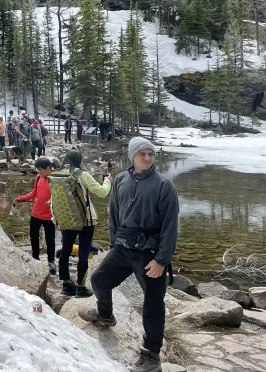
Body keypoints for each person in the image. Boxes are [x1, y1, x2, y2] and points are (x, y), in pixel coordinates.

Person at [80, 138, 178, 372]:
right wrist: (114, 244)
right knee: (99, 280)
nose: (147, 158)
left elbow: (170, 226)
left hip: (149, 254)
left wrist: (161, 260)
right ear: (132, 155)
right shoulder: (122, 180)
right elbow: (114, 213)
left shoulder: (164, 185)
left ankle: (151, 356)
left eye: (151, 154)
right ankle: (105, 315)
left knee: (153, 304)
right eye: (142, 153)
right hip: (123, 248)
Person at [58, 150, 112, 298]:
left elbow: (53, 199)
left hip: (66, 218)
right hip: (86, 219)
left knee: (65, 250)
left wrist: (55, 219)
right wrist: (108, 180)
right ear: (80, 159)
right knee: (83, 250)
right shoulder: (83, 175)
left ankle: (66, 285)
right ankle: (81, 288)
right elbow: (102, 192)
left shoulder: (59, 174)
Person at [15, 157, 57, 274]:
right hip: (36, 214)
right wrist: (22, 198)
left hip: (49, 217)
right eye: (38, 170)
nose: (39, 173)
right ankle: (35, 258)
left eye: (41, 170)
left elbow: (60, 197)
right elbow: (34, 192)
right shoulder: (39, 178)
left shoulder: (55, 180)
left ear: (48, 169)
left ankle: (51, 261)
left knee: (50, 240)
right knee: (34, 237)